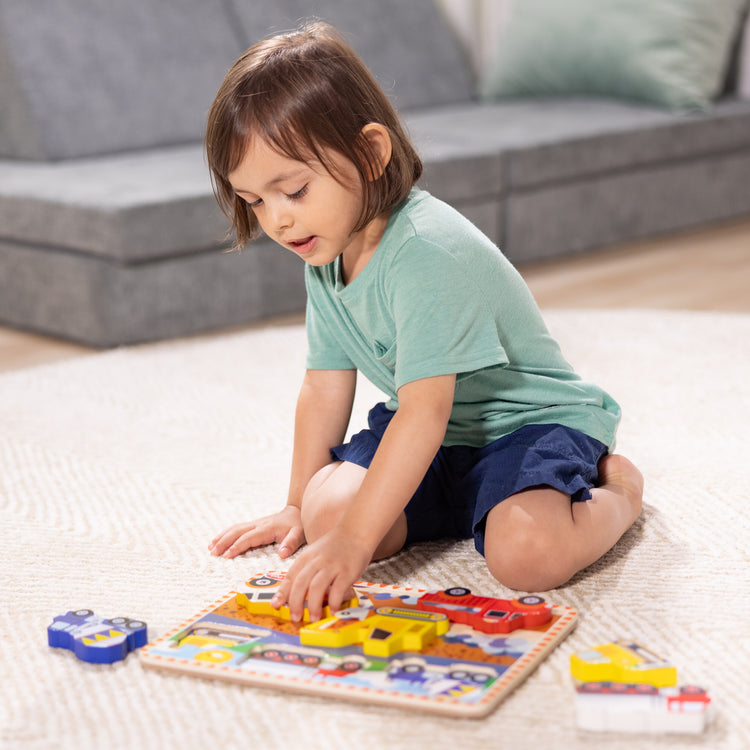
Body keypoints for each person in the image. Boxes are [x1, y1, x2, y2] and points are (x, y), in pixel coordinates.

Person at [206, 21, 643, 622]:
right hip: (436, 439)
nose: (277, 221)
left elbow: (425, 410)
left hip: (523, 426)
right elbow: (324, 383)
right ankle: (462, 505)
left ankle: (617, 495)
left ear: (370, 153)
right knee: (325, 511)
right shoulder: (326, 250)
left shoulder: (427, 252)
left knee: (529, 554)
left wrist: (356, 544)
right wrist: (294, 507)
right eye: (255, 201)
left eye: (295, 190)